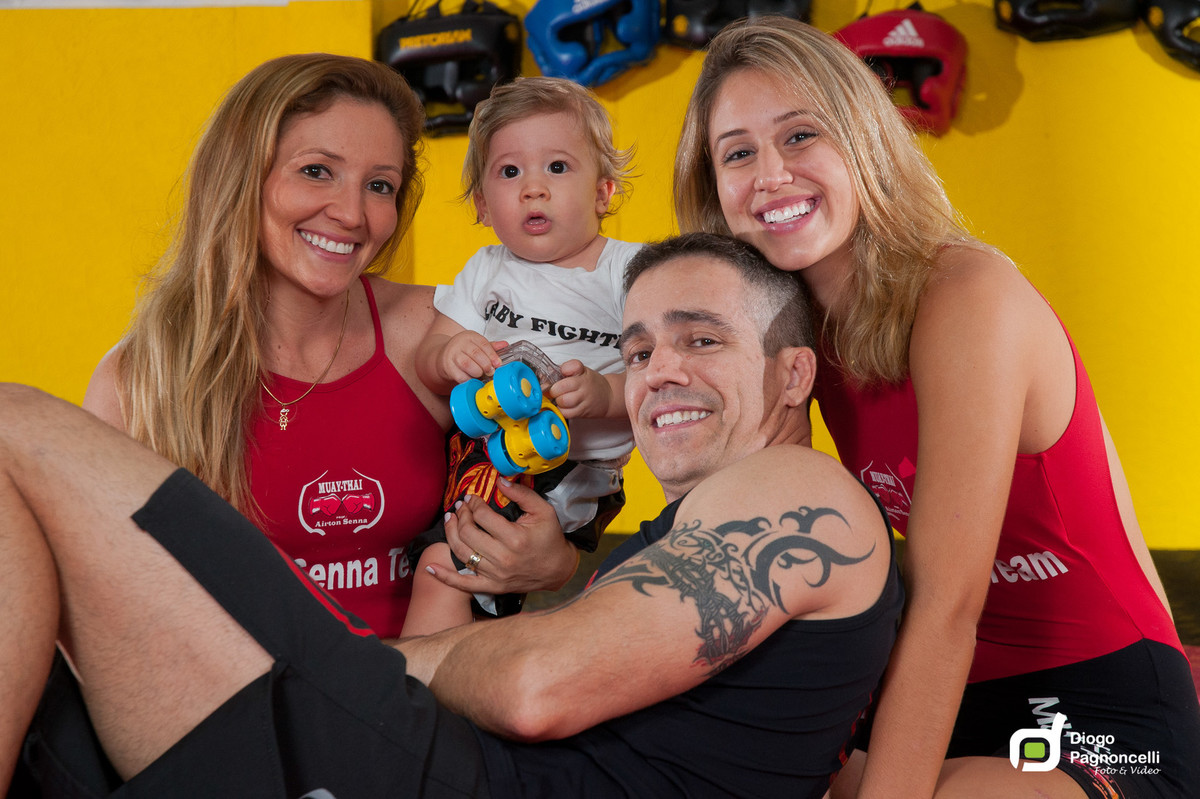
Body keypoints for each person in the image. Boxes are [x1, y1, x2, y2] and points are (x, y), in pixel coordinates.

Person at [5, 232, 902, 799]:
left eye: (701, 339)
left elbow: (535, 687)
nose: (657, 371)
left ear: (794, 375)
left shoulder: (798, 489)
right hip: (399, 747)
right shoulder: (698, 523)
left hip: (434, 766)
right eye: (637, 349)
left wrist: (346, 665)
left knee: (16, 429)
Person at [672, 17, 1200, 799]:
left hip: (1101, 700)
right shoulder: (792, 333)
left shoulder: (966, 295)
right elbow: (736, 516)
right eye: (738, 152)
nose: (771, 174)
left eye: (800, 135)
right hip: (941, 693)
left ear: (862, 140)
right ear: (714, 188)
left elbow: (950, 604)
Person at [79, 54, 578, 641]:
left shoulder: (437, 331)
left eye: (378, 186)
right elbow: (102, 617)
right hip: (249, 716)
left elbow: (557, 481)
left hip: (426, 700)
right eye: (317, 171)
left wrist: (556, 563)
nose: (350, 213)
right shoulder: (141, 382)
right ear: (240, 174)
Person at [407, 77, 642, 632]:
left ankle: (413, 691)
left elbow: (670, 376)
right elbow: (429, 356)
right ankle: (438, 680)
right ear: (484, 205)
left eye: (557, 168)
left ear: (604, 193)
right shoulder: (487, 270)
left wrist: (605, 392)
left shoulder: (628, 272)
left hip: (573, 468)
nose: (533, 188)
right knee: (450, 564)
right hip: (486, 444)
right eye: (510, 172)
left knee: (446, 566)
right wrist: (450, 355)